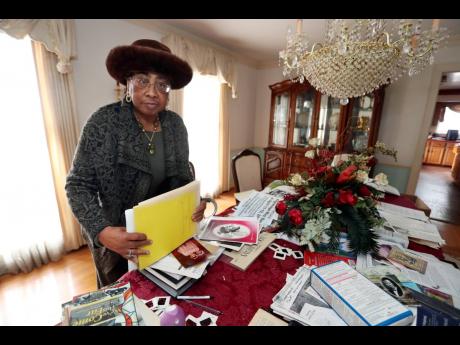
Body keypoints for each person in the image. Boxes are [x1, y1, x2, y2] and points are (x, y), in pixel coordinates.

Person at [65, 39, 206, 288]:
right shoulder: (103, 123)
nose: (152, 91)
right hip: (118, 241)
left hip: (166, 233)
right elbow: (77, 186)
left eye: (162, 84)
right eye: (143, 80)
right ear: (127, 83)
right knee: (126, 301)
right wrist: (102, 232)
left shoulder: (175, 125)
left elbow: (183, 178)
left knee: (167, 295)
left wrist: (195, 202)